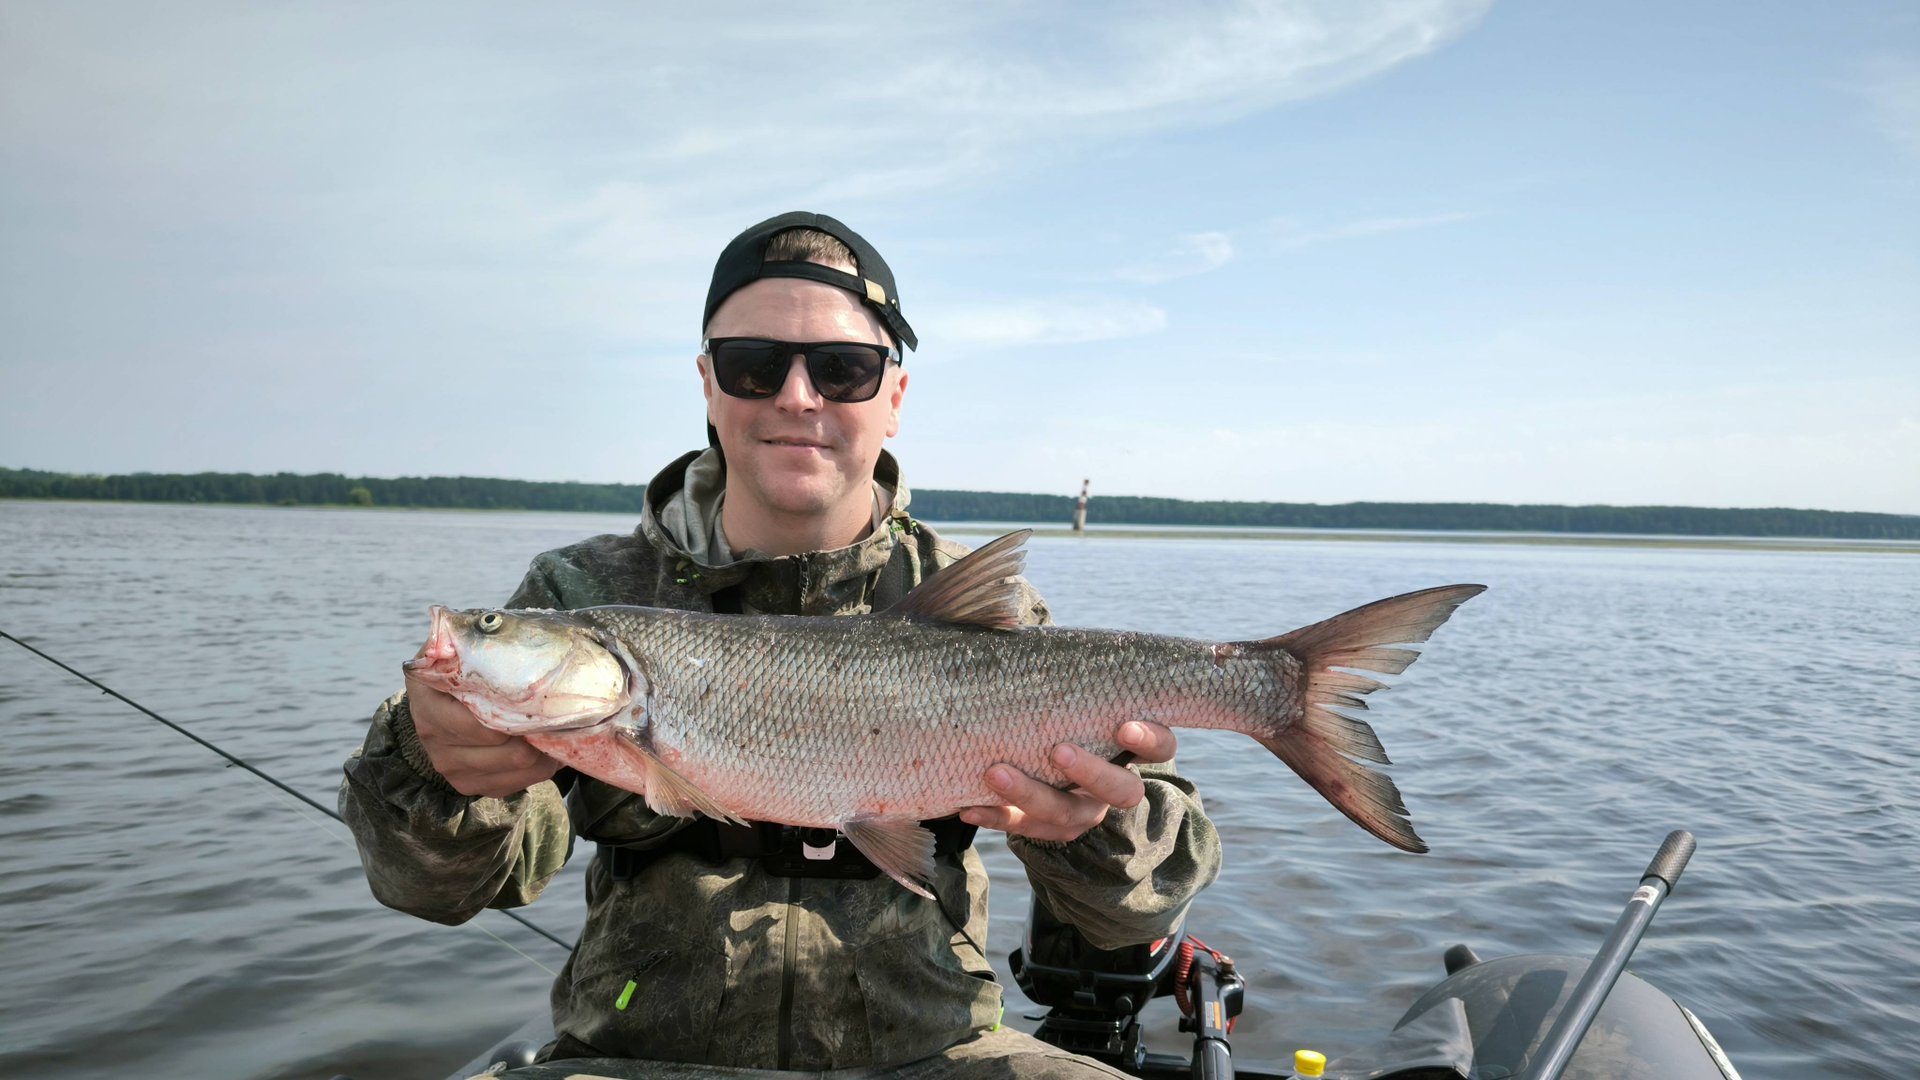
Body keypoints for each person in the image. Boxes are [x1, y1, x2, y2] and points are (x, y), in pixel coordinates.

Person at [339, 211, 1222, 1077]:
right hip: (633, 1057)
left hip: (937, 1053)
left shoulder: (981, 607)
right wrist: (436, 767)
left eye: (844, 369)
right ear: (709, 385)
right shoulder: (581, 597)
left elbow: (1131, 911)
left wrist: (1088, 825)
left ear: (895, 399)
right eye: (753, 365)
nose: (798, 398)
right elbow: (440, 892)